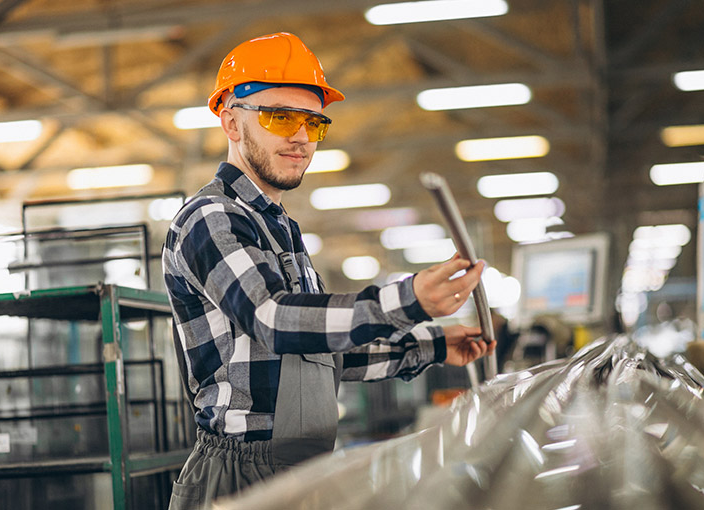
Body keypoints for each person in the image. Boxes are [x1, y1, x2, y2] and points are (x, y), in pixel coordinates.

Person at [162, 32, 494, 509]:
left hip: (303, 469)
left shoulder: (284, 232)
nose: (300, 137)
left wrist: (435, 344)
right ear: (231, 122)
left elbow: (324, 360)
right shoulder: (210, 218)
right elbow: (271, 320)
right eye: (280, 117)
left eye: (313, 123)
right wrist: (409, 300)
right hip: (239, 477)